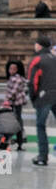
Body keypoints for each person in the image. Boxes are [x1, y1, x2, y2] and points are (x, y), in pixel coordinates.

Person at [30, 35, 56, 166]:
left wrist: (33, 97)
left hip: (43, 96)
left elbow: (33, 81)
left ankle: (42, 156)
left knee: (41, 126)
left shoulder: (37, 60)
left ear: (39, 45)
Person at [2, 58, 28, 149]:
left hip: (16, 104)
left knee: (15, 123)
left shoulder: (17, 79)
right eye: (10, 69)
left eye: (13, 69)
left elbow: (13, 92)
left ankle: (15, 141)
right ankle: (16, 142)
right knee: (14, 122)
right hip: (11, 103)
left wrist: (6, 100)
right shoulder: (11, 78)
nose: (11, 71)